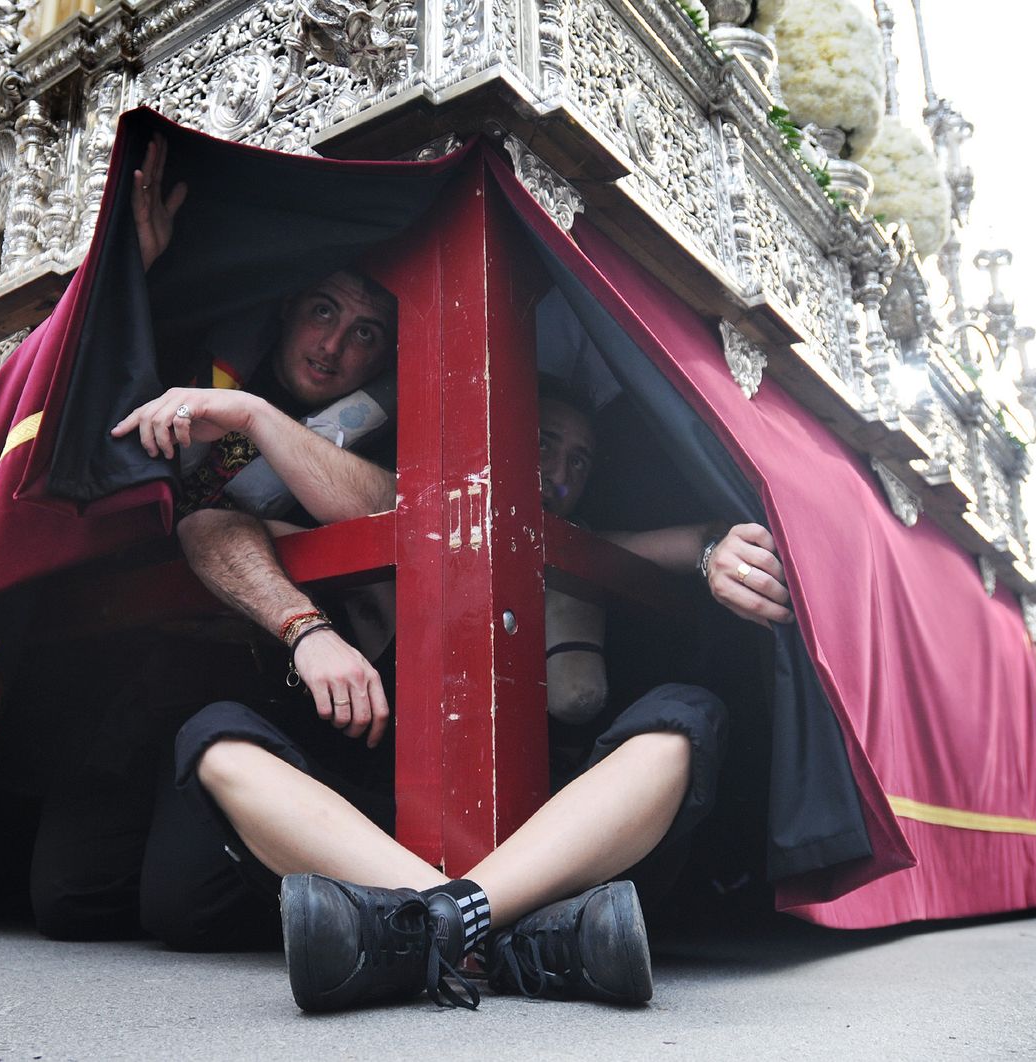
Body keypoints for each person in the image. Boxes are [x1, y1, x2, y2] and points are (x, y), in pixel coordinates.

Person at [104, 138, 792, 1011]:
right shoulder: (404, 481)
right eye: (541, 441)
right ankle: (487, 933)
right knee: (215, 737)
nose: (561, 473)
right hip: (377, 817)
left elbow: (668, 539)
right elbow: (214, 524)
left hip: (561, 843)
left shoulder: (588, 535)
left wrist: (710, 546)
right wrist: (307, 631)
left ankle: (432, 929)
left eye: (581, 460)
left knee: (690, 716)